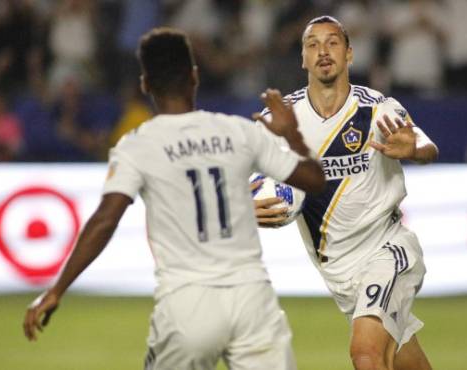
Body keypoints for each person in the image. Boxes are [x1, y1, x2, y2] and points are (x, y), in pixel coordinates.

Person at [23, 27, 326, 370]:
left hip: (187, 301)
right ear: (194, 77)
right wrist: (292, 135)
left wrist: (57, 290)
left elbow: (106, 219)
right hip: (252, 299)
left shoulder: (137, 145)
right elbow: (314, 181)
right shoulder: (236, 131)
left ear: (145, 85)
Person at [255, 16, 438, 370]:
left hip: (388, 250)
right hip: (340, 271)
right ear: (303, 59)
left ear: (350, 54)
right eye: (312, 44)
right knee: (403, 362)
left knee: (365, 354)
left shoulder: (376, 107)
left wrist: (415, 149)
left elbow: (424, 142)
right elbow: (239, 174)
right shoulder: (283, 118)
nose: (323, 51)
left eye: (333, 42)